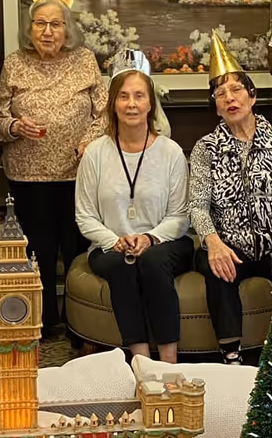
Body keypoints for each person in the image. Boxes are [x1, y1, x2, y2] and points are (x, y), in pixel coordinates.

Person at [0, 0, 108, 337]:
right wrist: (14, 126)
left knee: (75, 251)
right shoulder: (14, 63)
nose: (47, 31)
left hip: (77, 172)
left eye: (55, 24)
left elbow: (104, 113)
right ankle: (42, 321)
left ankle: (78, 322)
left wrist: (88, 142)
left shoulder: (85, 61)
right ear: (30, 29)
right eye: (40, 23)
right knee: (38, 252)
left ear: (67, 29)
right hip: (28, 176)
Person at [189, 33, 272, 363]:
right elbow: (197, 205)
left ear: (253, 96)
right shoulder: (205, 149)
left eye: (236, 90)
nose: (229, 98)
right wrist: (212, 242)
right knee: (218, 269)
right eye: (220, 94)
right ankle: (231, 354)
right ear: (215, 106)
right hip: (230, 246)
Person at [76, 67, 192, 362]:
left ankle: (168, 361)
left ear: (150, 104)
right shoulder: (95, 154)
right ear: (113, 104)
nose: (131, 104)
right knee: (123, 266)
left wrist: (150, 238)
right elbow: (85, 216)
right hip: (110, 245)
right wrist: (113, 240)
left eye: (139, 96)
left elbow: (180, 216)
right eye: (124, 96)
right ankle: (140, 360)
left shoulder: (171, 152)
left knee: (151, 261)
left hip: (165, 242)